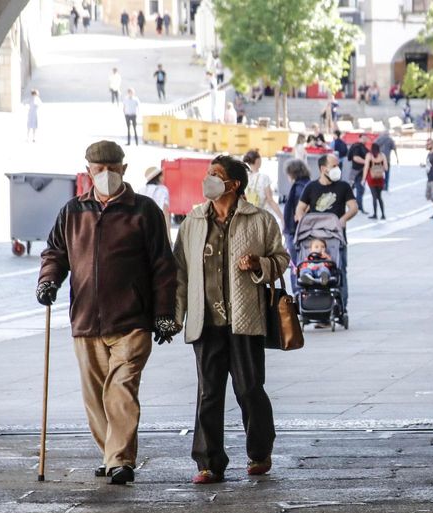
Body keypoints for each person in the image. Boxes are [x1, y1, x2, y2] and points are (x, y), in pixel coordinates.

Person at [36, 140, 180, 485]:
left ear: (123, 170)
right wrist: (48, 282)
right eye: (98, 170)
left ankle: (120, 460)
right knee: (95, 396)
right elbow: (55, 253)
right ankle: (110, 452)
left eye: (112, 169)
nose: (105, 176)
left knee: (121, 390)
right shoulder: (72, 212)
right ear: (88, 171)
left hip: (131, 320)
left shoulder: (144, 211)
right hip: (86, 320)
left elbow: (163, 266)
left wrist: (164, 314)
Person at [173, 156, 289, 484]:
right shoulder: (194, 221)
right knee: (208, 393)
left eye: (215, 175)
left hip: (245, 320)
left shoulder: (260, 220)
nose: (207, 179)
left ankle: (259, 452)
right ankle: (209, 463)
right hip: (205, 321)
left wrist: (259, 264)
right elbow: (180, 271)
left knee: (249, 389)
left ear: (234, 184)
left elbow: (281, 260)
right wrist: (174, 317)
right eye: (208, 174)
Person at [295, 154, 358, 309]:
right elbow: (300, 209)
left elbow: (354, 207)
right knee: (311, 267)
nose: (337, 169)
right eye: (334, 166)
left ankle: (340, 305)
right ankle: (316, 305)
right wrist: (305, 223)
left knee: (339, 269)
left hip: (336, 237)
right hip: (315, 239)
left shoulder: (343, 186)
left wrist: (342, 220)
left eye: (338, 166)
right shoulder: (311, 187)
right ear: (323, 169)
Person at [281, 158, 312, 284]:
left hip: (295, 230)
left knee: (295, 263)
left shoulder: (299, 187)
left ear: (292, 173)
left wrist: (299, 215)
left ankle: (297, 289)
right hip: (302, 230)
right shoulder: (307, 183)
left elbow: (305, 204)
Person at [242, 149, 282, 223]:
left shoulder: (244, 177)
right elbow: (270, 200)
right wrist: (282, 217)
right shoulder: (264, 178)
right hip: (262, 216)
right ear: (257, 160)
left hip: (248, 216)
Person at [364, 144, 387, 220]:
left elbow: (366, 167)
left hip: (371, 178)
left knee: (374, 196)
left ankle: (375, 214)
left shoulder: (369, 155)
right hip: (380, 178)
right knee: (379, 197)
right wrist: (379, 169)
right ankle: (383, 214)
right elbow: (386, 168)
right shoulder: (382, 155)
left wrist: (363, 179)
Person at [345, 138, 368, 206]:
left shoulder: (361, 147)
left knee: (356, 189)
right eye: (364, 138)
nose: (365, 139)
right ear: (360, 138)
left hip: (357, 171)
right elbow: (355, 158)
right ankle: (357, 206)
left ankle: (356, 205)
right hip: (357, 171)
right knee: (359, 189)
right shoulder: (357, 147)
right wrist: (366, 162)